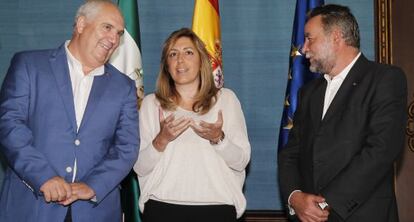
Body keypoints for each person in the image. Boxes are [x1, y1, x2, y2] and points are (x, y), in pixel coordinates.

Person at [0, 0, 139, 221]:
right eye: (107, 27)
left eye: (119, 33)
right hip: (31, 208)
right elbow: (9, 126)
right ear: (81, 24)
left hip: (95, 211)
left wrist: (93, 186)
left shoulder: (124, 86)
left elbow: (127, 147)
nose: (114, 39)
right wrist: (43, 177)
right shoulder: (29, 65)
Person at [278, 4, 407, 222]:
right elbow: (291, 153)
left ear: (336, 37)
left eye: (310, 38)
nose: (304, 48)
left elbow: (381, 151)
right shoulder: (309, 93)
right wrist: (295, 197)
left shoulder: (384, 79)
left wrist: (326, 203)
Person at [134, 28, 251, 222]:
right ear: (166, 65)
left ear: (201, 60)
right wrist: (161, 140)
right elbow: (139, 166)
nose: (180, 60)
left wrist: (218, 139)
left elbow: (241, 161)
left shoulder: (226, 100)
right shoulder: (151, 104)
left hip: (217, 209)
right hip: (162, 209)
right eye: (173, 54)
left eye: (188, 52)